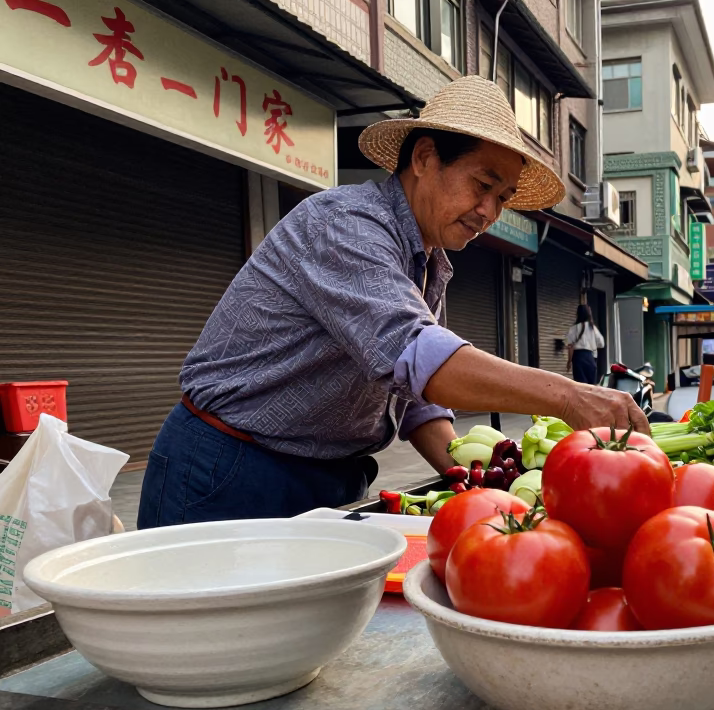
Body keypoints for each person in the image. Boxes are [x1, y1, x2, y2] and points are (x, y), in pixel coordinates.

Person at [137, 77, 647, 529]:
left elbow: (419, 397)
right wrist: (566, 396)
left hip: (326, 478)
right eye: (482, 185)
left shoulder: (429, 260)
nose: (489, 211)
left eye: (503, 197)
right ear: (425, 158)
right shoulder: (345, 226)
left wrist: (467, 477)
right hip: (229, 471)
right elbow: (421, 356)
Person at [565, 305, 605, 384]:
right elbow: (601, 344)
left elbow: (570, 347)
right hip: (590, 357)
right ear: (589, 314)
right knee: (591, 387)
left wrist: (569, 361)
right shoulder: (593, 328)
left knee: (580, 386)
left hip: (578, 358)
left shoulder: (574, 329)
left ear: (578, 314)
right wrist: (591, 344)